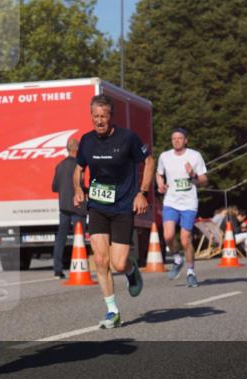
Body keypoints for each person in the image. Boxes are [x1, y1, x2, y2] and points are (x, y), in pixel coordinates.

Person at [72, 94, 155, 329]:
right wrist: (78, 188)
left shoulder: (127, 138)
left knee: (118, 263)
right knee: (100, 260)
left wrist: (142, 192)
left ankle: (131, 271)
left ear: (111, 117)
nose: (99, 121)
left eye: (103, 116)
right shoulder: (86, 141)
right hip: (97, 205)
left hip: (122, 206)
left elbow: (148, 161)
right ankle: (112, 311)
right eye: (95, 116)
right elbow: (78, 169)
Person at [155, 127, 208, 287]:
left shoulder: (194, 156)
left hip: (189, 203)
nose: (176, 140)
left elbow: (204, 180)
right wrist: (160, 184)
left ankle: (191, 271)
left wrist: (193, 175)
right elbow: (159, 173)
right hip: (171, 201)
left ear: (186, 140)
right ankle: (177, 259)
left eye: (180, 138)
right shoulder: (165, 156)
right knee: (168, 236)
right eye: (174, 138)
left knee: (186, 239)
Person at [52, 137, 85, 279]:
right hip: (78, 207)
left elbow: (54, 187)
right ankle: (79, 266)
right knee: (80, 239)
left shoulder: (60, 165)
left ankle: (57, 270)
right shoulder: (79, 166)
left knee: (61, 238)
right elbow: (81, 186)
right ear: (77, 149)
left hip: (63, 206)